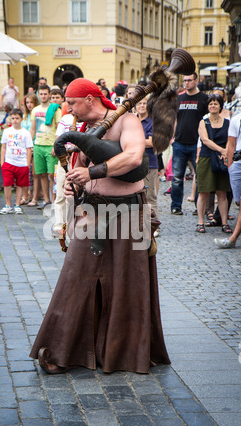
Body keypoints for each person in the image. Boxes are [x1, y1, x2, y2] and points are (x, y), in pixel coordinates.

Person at [29, 77, 170, 374]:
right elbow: (79, 172)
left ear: (90, 99)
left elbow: (133, 158)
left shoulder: (126, 120)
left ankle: (126, 354)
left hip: (128, 215)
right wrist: (75, 185)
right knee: (75, 279)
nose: (69, 108)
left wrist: (92, 171)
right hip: (90, 214)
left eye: (73, 102)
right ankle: (63, 349)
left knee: (127, 284)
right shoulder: (84, 129)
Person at [214, 85, 241, 253]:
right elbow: (231, 143)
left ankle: (233, 238)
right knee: (239, 201)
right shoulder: (237, 119)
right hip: (239, 165)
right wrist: (230, 165)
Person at [170, 72, 208, 215]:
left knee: (199, 177)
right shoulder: (179, 98)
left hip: (197, 144)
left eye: (189, 80)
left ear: (196, 81)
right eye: (185, 80)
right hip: (179, 143)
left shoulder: (204, 98)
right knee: (177, 178)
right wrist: (172, 137)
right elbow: (175, 119)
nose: (186, 83)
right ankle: (176, 206)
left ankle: (199, 207)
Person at [195, 94, 231, 233]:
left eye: (215, 103)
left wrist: (226, 152)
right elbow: (205, 140)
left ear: (220, 106)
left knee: (222, 192)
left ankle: (224, 223)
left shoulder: (227, 123)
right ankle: (200, 222)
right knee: (203, 192)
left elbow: (230, 139)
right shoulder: (203, 122)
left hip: (222, 159)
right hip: (206, 158)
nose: (213, 106)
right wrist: (222, 150)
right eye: (211, 104)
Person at [30, 84, 62, 208]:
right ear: (38, 95)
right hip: (38, 144)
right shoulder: (35, 110)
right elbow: (32, 128)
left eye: (45, 94)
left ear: (49, 95)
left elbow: (59, 128)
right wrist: (30, 144)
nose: (43, 96)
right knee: (41, 173)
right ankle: (47, 200)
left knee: (51, 174)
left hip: (50, 145)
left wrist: (56, 145)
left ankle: (55, 200)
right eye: (41, 94)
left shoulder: (55, 109)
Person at [0, 108, 33, 215]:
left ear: (21, 119)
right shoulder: (7, 131)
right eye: (12, 118)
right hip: (9, 162)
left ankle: (17, 204)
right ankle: (8, 205)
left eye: (17, 118)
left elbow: (29, 149)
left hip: (22, 163)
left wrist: (27, 163)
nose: (15, 120)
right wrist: (2, 162)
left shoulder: (25, 133)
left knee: (20, 185)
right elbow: (3, 147)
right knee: (7, 184)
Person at [136, 96, 159, 227]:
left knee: (149, 196)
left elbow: (151, 142)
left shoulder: (151, 122)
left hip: (150, 163)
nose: (142, 106)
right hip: (134, 163)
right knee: (137, 197)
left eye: (145, 103)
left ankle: (154, 225)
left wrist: (133, 142)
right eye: (139, 103)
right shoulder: (133, 120)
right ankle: (140, 224)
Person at [21, 92, 40, 205]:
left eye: (31, 102)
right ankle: (27, 193)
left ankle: (34, 194)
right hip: (24, 147)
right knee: (26, 171)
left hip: (34, 145)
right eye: (27, 102)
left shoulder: (37, 114)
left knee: (34, 172)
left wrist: (32, 145)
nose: (29, 105)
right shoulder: (24, 116)